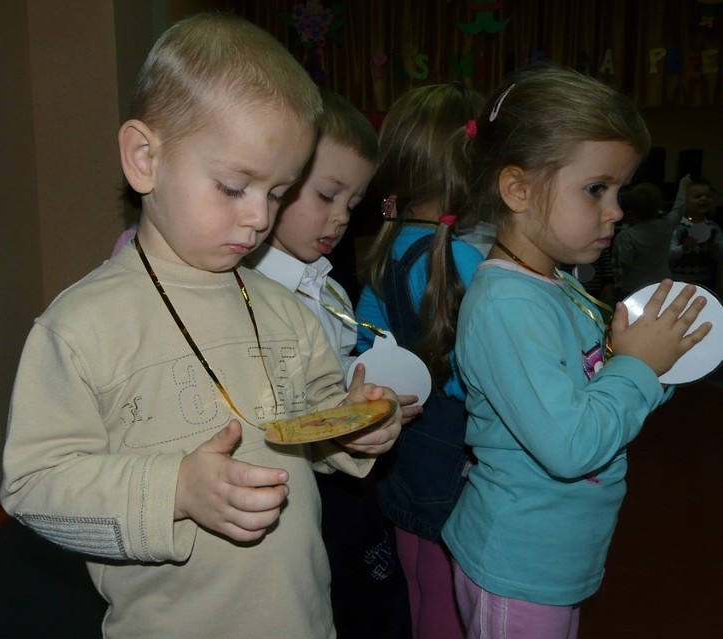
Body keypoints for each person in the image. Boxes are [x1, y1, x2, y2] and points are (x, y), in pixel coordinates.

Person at [0, 13, 402, 639]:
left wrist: (349, 427)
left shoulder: (285, 310)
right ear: (144, 159)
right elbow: (35, 487)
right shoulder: (82, 327)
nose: (258, 219)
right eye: (234, 186)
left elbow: (308, 423)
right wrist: (176, 491)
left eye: (277, 194)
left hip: (299, 615)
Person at [440, 63, 711, 639]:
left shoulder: (560, 286)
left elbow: (599, 398)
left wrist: (656, 365)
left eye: (617, 189)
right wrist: (638, 367)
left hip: (558, 556)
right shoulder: (507, 306)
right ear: (517, 189)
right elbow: (570, 446)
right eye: (596, 189)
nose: (615, 209)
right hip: (516, 563)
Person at [245, 87, 413, 639]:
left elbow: (338, 376)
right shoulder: (249, 296)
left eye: (352, 203)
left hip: (338, 480)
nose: (340, 219)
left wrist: (367, 406)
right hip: (287, 492)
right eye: (326, 195)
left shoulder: (327, 285)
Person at [354, 83, 484, 639]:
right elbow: (480, 370)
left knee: (412, 575)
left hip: (401, 446)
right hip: (450, 450)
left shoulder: (387, 244)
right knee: (448, 594)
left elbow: (365, 347)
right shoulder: (467, 258)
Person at [613, 181, 679, 297]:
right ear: (659, 205)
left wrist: (626, 226)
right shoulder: (666, 226)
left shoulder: (627, 235)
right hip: (662, 283)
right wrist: (683, 189)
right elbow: (679, 210)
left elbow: (625, 261)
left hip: (635, 286)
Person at [669, 174, 722, 292]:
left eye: (708, 196)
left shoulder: (714, 228)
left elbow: (719, 257)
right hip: (679, 281)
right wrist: (683, 247)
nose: (704, 199)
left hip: (707, 281)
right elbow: (668, 255)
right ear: (685, 201)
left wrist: (716, 250)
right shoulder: (679, 227)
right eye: (697, 196)